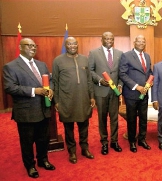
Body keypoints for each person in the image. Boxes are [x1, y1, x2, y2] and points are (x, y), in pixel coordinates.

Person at [3, 38, 55, 178]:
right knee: (27, 142)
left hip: (44, 109)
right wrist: (34, 91)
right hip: (26, 111)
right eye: (29, 45)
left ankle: (43, 160)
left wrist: (51, 89)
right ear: (20, 47)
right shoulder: (11, 66)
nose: (33, 48)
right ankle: (30, 165)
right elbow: (10, 87)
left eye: (34, 46)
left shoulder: (42, 64)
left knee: (43, 138)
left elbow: (49, 80)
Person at [52, 37, 95, 164]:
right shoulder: (58, 61)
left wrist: (91, 96)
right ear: (66, 45)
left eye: (74, 43)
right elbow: (55, 82)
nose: (72, 46)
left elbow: (89, 80)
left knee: (84, 126)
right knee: (68, 128)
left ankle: (84, 148)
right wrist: (57, 101)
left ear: (77, 45)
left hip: (83, 99)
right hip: (66, 100)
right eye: (69, 44)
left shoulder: (84, 59)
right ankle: (71, 151)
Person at [88, 32, 123, 155]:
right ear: (101, 39)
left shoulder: (119, 53)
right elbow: (90, 71)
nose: (109, 40)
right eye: (106, 38)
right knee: (102, 119)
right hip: (101, 91)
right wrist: (99, 80)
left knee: (114, 118)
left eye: (111, 38)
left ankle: (114, 141)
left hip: (115, 92)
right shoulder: (93, 53)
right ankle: (104, 143)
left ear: (113, 40)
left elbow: (121, 72)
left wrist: (120, 84)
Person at [119, 35, 153, 153]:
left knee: (143, 118)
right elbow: (122, 74)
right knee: (132, 118)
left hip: (144, 94)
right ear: (134, 42)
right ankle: (132, 141)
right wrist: (136, 86)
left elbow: (149, 72)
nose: (141, 43)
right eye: (139, 41)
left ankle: (142, 139)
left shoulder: (147, 56)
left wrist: (150, 82)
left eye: (143, 41)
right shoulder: (126, 55)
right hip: (132, 94)